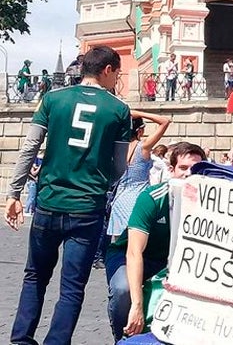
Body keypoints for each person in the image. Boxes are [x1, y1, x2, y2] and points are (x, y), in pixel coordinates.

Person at [5, 46, 136, 345]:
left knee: (34, 276)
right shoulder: (119, 110)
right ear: (107, 70)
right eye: (117, 73)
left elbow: (30, 148)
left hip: (49, 203)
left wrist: (14, 193)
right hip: (87, 208)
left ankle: (21, 338)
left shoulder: (53, 99)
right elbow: (119, 167)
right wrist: (99, 183)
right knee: (72, 288)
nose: (116, 79)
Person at [106, 141, 206, 340]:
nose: (188, 174)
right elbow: (134, 252)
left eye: (195, 170)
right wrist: (137, 305)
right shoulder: (151, 198)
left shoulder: (209, 204)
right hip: (132, 255)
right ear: (171, 170)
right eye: (183, 168)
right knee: (123, 289)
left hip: (173, 262)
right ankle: (122, 337)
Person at [106, 112, 171, 249]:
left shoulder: (115, 148)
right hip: (139, 199)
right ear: (139, 130)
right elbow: (165, 121)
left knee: (119, 248)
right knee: (138, 248)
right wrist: (138, 113)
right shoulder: (143, 147)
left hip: (120, 201)